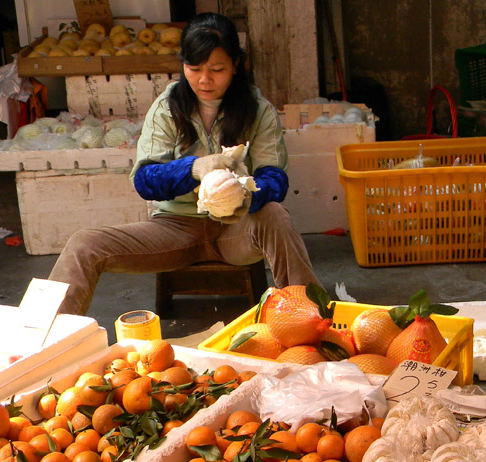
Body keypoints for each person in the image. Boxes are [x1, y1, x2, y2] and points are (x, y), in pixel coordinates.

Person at [49, 12, 319, 315]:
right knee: (83, 245)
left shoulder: (259, 110)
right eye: (194, 68)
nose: (204, 80)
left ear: (236, 65)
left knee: (275, 214)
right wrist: (195, 169)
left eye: (217, 69)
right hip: (174, 229)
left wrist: (244, 191)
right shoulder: (166, 108)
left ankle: (307, 317)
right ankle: (50, 341)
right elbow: (145, 180)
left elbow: (275, 177)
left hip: (236, 230)